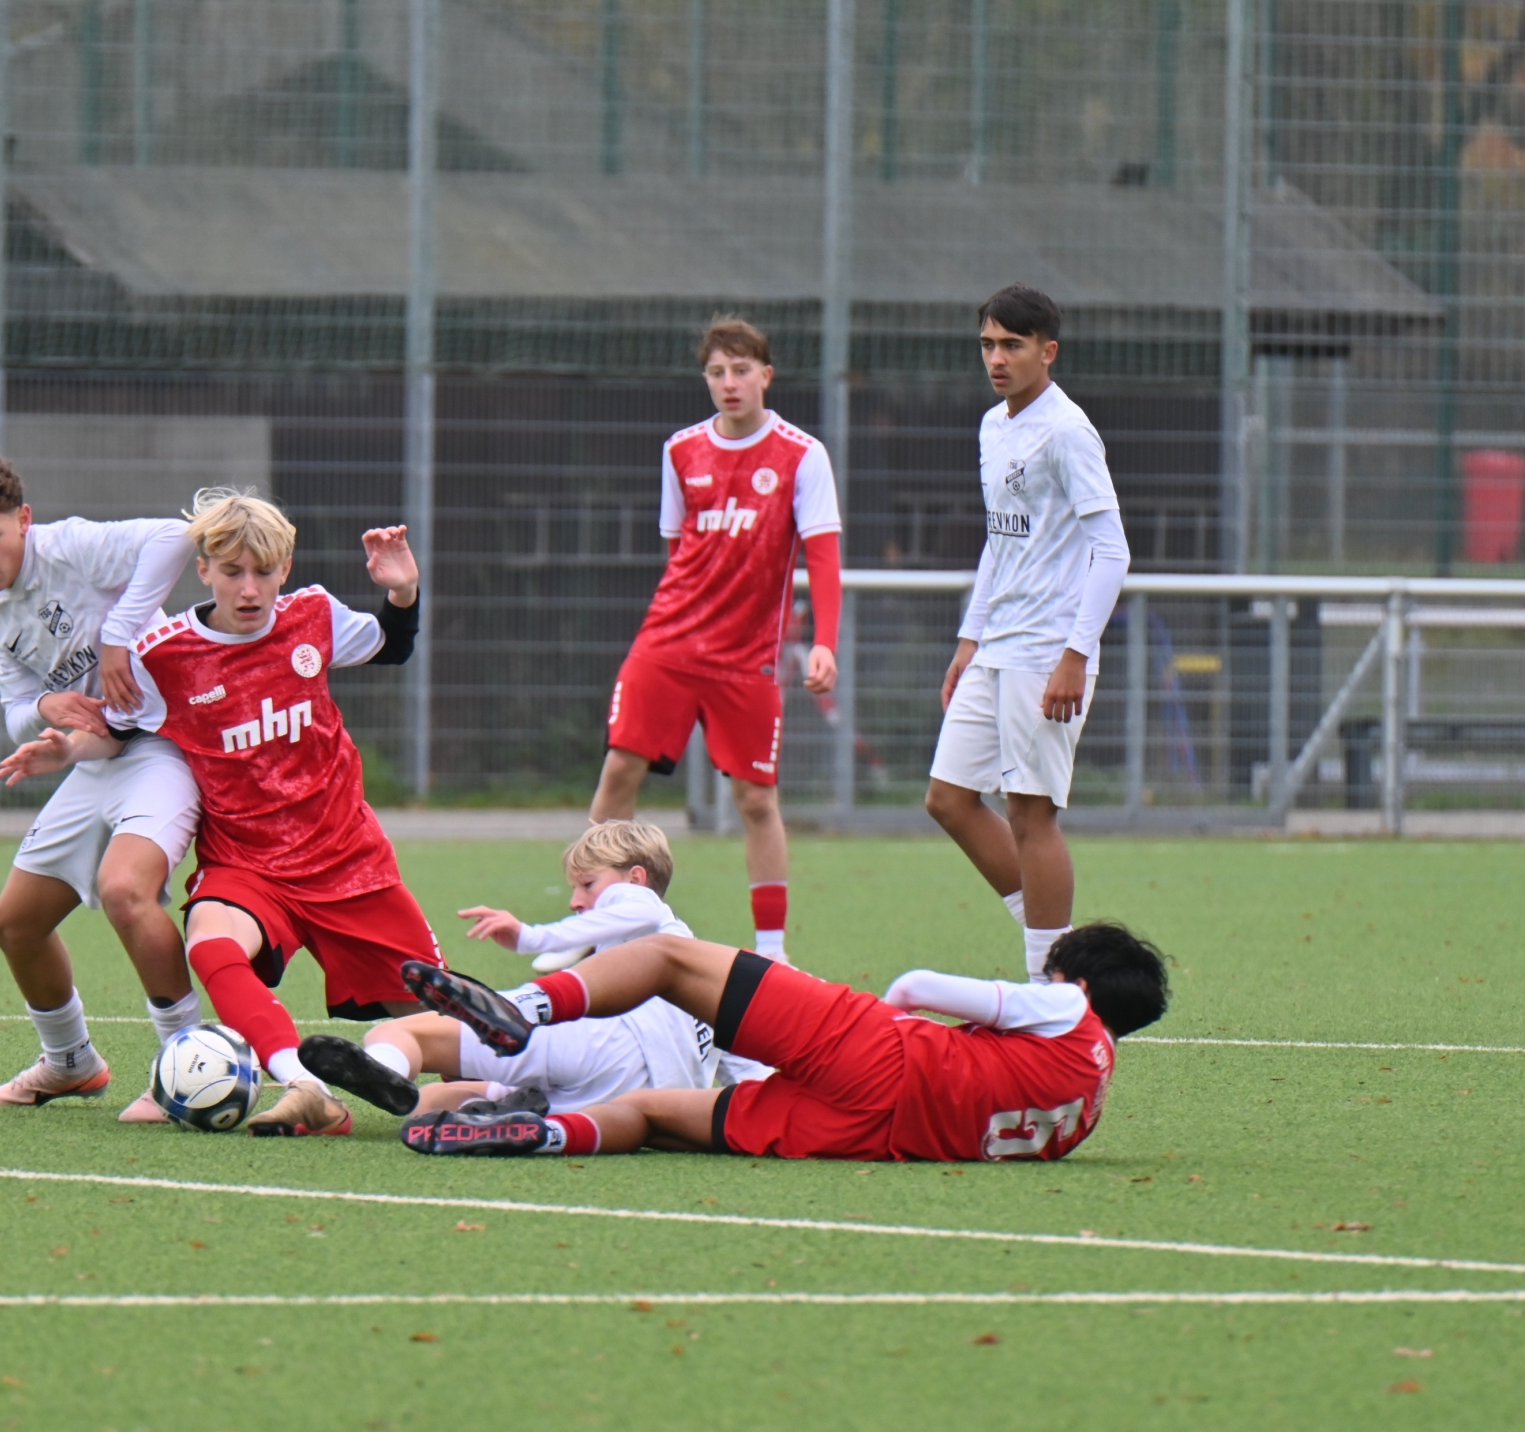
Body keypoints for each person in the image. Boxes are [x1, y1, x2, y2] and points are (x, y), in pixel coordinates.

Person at [0, 488, 443, 1136]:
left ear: (286, 569)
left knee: (448, 1034)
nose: (249, 588)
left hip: (349, 862)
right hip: (247, 865)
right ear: (203, 569)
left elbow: (392, 646)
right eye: (233, 571)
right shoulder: (164, 654)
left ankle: (482, 1078)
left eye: (264, 571)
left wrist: (403, 591)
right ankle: (303, 1085)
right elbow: (118, 731)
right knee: (210, 938)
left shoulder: (314, 615)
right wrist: (67, 749)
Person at [0, 450, 201, 1122]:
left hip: (164, 747)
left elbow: (177, 536)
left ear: (24, 519)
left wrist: (118, 636)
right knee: (15, 923)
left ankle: (188, 1066)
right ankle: (71, 1061)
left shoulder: (71, 547)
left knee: (125, 892)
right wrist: (47, 711)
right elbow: (17, 709)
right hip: (94, 758)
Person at [393, 923, 1166, 1162]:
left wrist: (873, 1018)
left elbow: (918, 985)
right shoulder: (1084, 1113)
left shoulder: (1067, 1007)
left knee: (666, 958)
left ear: (1079, 982)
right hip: (871, 1137)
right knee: (655, 1113)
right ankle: (552, 1135)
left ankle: (521, 1009)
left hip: (876, 1051)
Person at [591, 318, 843, 963]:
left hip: (747, 660)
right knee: (619, 771)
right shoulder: (681, 450)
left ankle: (772, 951)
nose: (729, 383)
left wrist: (824, 641)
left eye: (741, 370)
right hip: (669, 645)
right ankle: (591, 927)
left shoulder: (801, 455)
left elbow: (823, 557)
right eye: (716, 372)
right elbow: (677, 552)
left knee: (756, 799)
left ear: (766, 376)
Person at [925, 286, 1132, 982]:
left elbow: (1112, 551)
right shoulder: (994, 426)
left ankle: (1050, 989)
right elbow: (1000, 541)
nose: (997, 358)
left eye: (1012, 345)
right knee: (949, 798)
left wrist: (1075, 654)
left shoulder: (1067, 431)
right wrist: (969, 639)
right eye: (988, 344)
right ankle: (1059, 949)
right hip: (997, 646)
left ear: (1048, 351)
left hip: (1047, 651)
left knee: (1030, 814)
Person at [292, 820, 769, 1117]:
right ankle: (487, 1110)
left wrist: (531, 936)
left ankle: (391, 1067)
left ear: (636, 879)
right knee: (437, 1102)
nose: (576, 900)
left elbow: (636, 909)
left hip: (601, 1050)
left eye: (588, 884)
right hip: (644, 1103)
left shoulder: (646, 911)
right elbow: (744, 1060)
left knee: (398, 1033)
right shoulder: (702, 966)